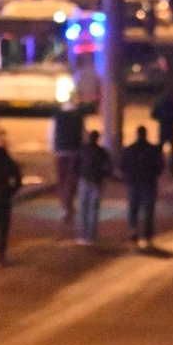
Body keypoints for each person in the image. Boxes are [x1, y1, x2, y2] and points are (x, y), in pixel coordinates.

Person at [119, 125, 165, 249]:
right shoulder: (153, 150)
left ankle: (133, 230)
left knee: (133, 208)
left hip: (134, 183)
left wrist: (128, 176)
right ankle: (148, 237)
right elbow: (160, 166)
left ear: (137, 134)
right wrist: (153, 174)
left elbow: (122, 165)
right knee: (148, 211)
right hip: (149, 183)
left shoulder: (130, 149)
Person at [0, 132, 22, 267]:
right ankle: (1, 257)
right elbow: (18, 181)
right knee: (3, 228)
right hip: (3, 198)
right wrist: (10, 192)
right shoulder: (9, 162)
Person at [50, 99, 85, 227]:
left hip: (60, 151)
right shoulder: (79, 117)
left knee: (61, 180)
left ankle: (63, 207)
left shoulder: (56, 117)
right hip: (74, 152)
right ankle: (69, 206)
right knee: (71, 181)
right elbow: (83, 136)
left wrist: (53, 149)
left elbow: (51, 134)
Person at [75, 130, 112, 246]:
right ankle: (91, 235)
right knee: (93, 208)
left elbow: (75, 167)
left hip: (84, 180)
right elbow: (107, 168)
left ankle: (83, 234)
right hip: (96, 181)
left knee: (83, 208)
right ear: (98, 139)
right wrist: (102, 176)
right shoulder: (102, 152)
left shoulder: (82, 150)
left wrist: (80, 175)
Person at [151, 89, 173, 178]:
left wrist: (161, 119)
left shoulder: (160, 104)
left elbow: (153, 115)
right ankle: (172, 171)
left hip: (163, 129)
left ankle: (159, 169)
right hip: (171, 130)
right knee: (172, 152)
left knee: (160, 151)